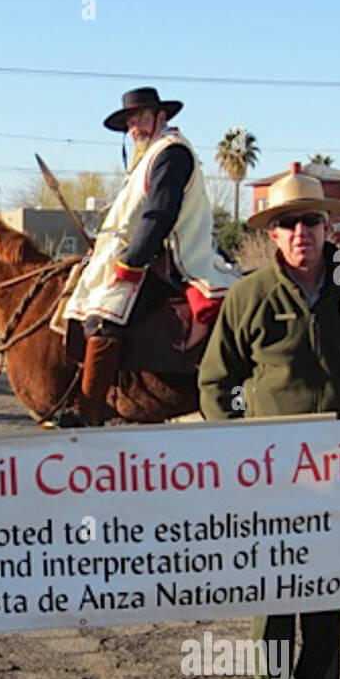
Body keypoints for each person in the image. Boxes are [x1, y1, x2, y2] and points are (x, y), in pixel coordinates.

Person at [199, 163, 340, 679]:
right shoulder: (250, 297)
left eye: (310, 222)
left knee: (328, 589)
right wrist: (237, 445)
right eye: (288, 224)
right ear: (273, 233)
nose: (300, 234)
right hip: (271, 476)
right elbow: (216, 382)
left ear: (327, 229)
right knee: (273, 590)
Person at [59, 87, 232, 426]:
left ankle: (89, 412)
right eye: (130, 122)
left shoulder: (171, 153)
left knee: (105, 314)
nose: (134, 127)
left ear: (160, 117)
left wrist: (129, 261)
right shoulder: (150, 155)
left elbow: (159, 215)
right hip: (152, 253)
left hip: (177, 259)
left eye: (139, 118)